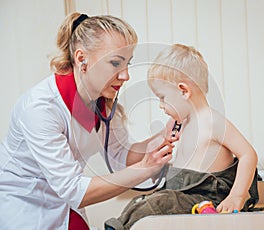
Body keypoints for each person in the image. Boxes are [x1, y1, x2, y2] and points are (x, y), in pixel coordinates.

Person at [0, 13, 175, 230]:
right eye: (115, 63)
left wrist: (163, 137)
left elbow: (120, 156)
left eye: (127, 64)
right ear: (82, 59)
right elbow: (74, 190)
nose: (126, 76)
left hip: (64, 205)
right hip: (25, 208)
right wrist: (145, 169)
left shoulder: (102, 102)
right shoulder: (40, 108)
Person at [104, 44, 259, 230]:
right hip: (183, 193)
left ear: (184, 91)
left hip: (205, 198)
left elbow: (248, 154)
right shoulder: (184, 123)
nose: (161, 105)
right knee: (142, 201)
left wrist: (236, 196)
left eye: (162, 97)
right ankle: (121, 225)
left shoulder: (212, 121)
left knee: (159, 203)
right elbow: (187, 166)